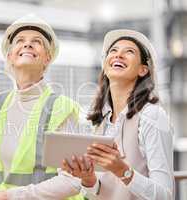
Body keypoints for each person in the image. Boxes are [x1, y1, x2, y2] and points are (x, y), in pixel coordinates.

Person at [62, 29, 174, 200]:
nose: (118, 55)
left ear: (143, 70)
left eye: (129, 51)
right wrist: (88, 180)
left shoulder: (152, 116)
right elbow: (101, 192)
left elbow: (165, 196)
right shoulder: (100, 122)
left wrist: (123, 171)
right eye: (113, 51)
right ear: (105, 68)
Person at [0, 14, 84, 200]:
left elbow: (73, 180)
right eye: (20, 41)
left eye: (36, 42)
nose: (27, 44)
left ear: (47, 58)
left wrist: (9, 196)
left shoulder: (63, 108)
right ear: (10, 56)